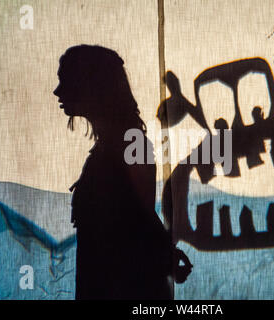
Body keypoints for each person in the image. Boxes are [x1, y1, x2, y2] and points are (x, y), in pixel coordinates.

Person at [53, 45, 191, 300]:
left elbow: (141, 217)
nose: (58, 91)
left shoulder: (129, 144)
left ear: (91, 85)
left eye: (66, 81)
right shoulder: (116, 146)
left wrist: (162, 253)